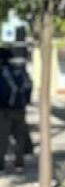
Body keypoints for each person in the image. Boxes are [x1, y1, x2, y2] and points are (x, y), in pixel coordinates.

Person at [0, 44, 33, 173]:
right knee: (20, 137)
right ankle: (19, 163)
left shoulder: (3, 73)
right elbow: (29, 88)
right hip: (20, 109)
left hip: (5, 110)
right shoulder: (23, 73)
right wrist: (26, 102)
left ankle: (1, 165)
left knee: (3, 138)